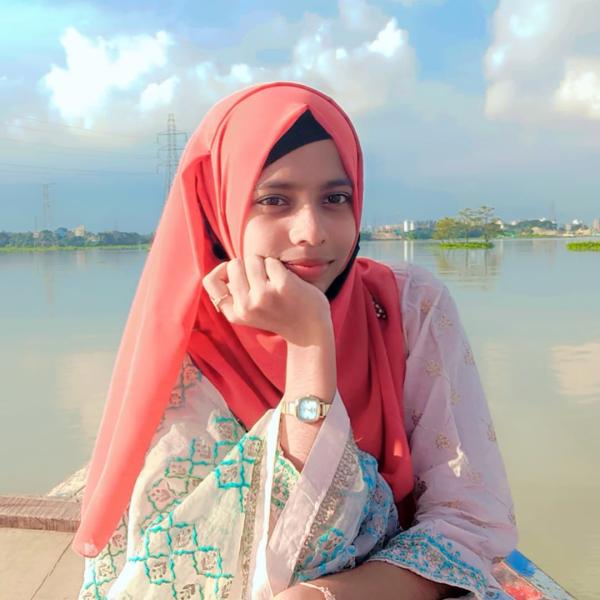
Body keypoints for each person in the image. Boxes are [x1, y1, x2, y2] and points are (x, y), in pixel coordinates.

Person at [73, 81, 517, 600]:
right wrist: (310, 347)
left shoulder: (408, 308)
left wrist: (328, 595)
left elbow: (470, 521)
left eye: (335, 199)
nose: (312, 231)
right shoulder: (184, 349)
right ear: (220, 208)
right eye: (274, 200)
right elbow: (200, 565)